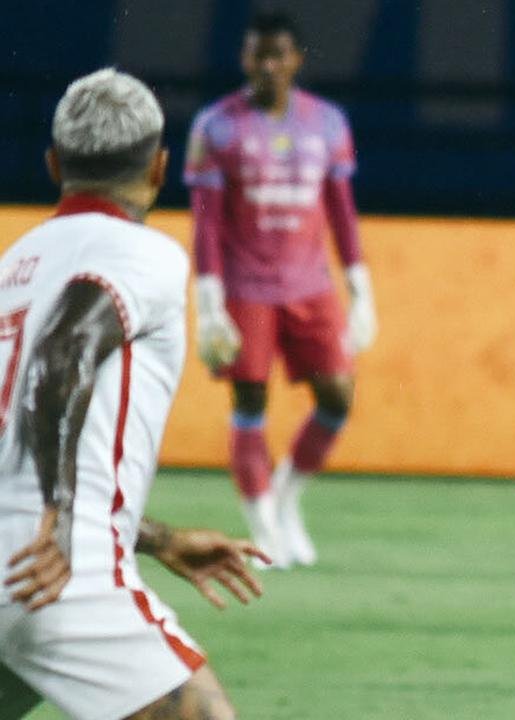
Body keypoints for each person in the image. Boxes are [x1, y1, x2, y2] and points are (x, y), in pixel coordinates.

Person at [0, 68, 269, 720]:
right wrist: (63, 516)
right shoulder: (143, 255)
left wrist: (158, 538)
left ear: (54, 164)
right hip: (53, 572)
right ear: (159, 167)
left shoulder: (15, 268)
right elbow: (63, 352)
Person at [183, 12, 377, 569]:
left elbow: (341, 211)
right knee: (250, 401)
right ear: (245, 60)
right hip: (246, 286)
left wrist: (360, 287)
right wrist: (209, 302)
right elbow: (206, 223)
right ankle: (263, 526)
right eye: (257, 55)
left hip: (310, 283)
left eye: (278, 55)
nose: (268, 66)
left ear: (296, 60)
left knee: (337, 396)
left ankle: (287, 496)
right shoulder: (216, 127)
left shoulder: (328, 123)